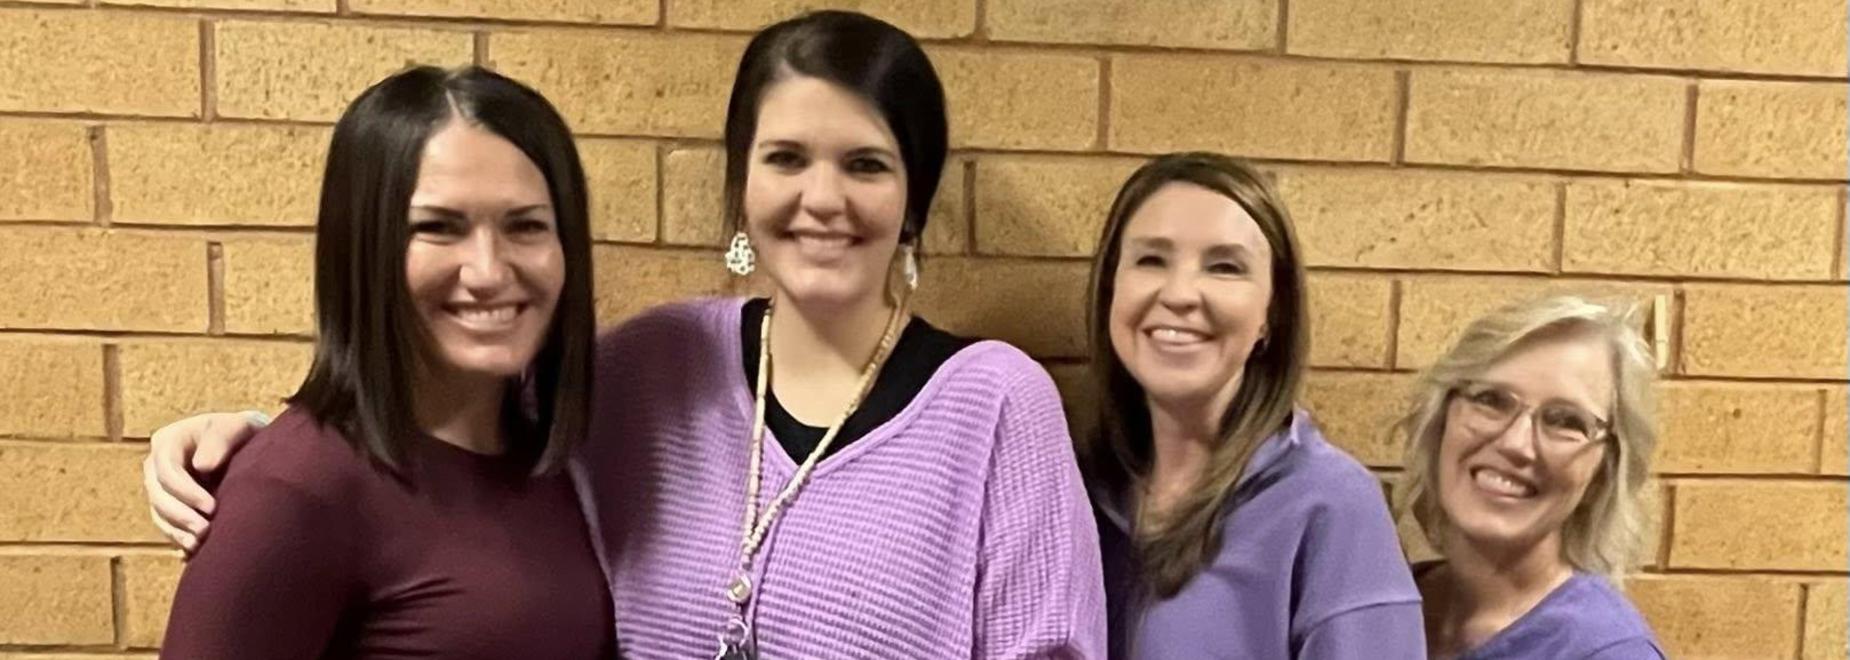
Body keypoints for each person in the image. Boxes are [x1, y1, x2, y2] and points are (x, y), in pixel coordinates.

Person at [142, 11, 1104, 659]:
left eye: (866, 164)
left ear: (914, 199)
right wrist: (252, 440)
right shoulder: (656, 364)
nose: (824, 199)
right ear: (741, 187)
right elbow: (438, 420)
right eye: (785, 158)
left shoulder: (996, 403)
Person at [157, 65, 611, 659]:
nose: (489, 272)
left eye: (525, 226)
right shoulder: (292, 492)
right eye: (438, 228)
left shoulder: (550, 456)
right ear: (366, 246)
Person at [1082, 152, 1425, 658]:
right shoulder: (1079, 496)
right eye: (1151, 259)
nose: (1180, 293)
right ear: (1112, 288)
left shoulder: (1330, 505)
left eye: (1224, 267)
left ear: (1271, 314)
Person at [1397, 296, 1666, 659]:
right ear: (1440, 419)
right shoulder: (1381, 605)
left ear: (1603, 472)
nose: (1516, 444)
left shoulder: (1605, 651)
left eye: (1565, 421)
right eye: (1491, 400)